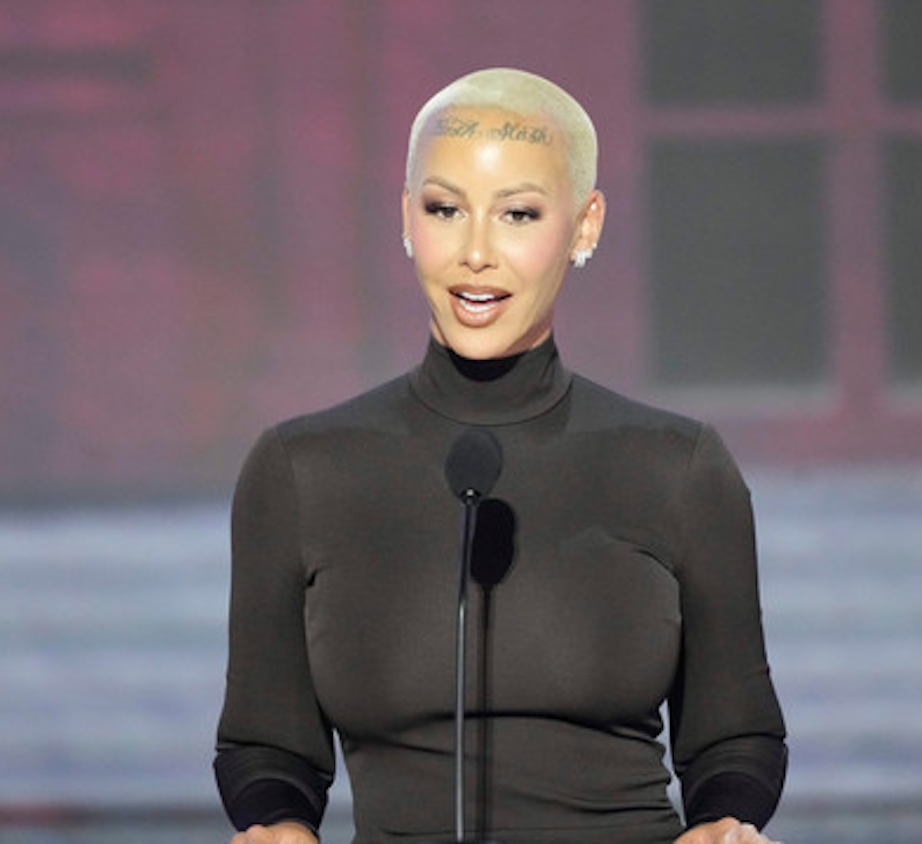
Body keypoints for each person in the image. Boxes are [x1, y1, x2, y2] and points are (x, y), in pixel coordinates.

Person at [215, 67, 787, 844]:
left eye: (518, 213)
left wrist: (723, 824)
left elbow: (735, 738)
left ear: (585, 226)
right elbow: (265, 748)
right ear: (407, 217)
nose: (476, 252)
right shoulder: (301, 471)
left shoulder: (678, 467)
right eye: (445, 209)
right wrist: (277, 825)